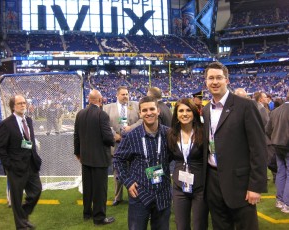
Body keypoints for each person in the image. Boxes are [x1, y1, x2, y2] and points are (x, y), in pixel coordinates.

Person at [202, 62, 267, 229]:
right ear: (205, 81)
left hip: (240, 183)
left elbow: (258, 148)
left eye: (218, 78)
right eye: (211, 78)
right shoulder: (207, 109)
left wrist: (255, 186)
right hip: (213, 180)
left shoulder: (245, 105)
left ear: (227, 80)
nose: (214, 82)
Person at [114, 96, 172, 230]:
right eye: (144, 110)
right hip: (140, 193)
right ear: (140, 114)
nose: (149, 113)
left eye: (152, 109)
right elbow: (118, 159)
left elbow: (174, 156)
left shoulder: (168, 134)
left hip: (162, 193)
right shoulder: (131, 136)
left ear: (158, 111)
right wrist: (127, 181)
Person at [0, 94, 42, 230]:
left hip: (31, 164)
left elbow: (30, 142)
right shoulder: (6, 124)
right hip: (15, 167)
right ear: (12, 107)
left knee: (36, 191)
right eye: (19, 103)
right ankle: (21, 226)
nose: (22, 105)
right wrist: (9, 165)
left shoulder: (28, 120)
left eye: (24, 103)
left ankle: (23, 214)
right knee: (16, 198)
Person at [74, 89, 115, 225]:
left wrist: (78, 153)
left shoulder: (80, 114)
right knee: (100, 190)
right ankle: (99, 218)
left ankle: (87, 213)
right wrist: (115, 138)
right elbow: (108, 138)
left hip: (85, 158)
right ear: (99, 100)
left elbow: (76, 136)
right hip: (99, 159)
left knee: (88, 188)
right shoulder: (101, 115)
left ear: (89, 100)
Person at [167, 98, 208, 230]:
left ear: (194, 113)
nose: (184, 114)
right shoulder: (171, 134)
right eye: (181, 111)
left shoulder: (203, 131)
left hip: (201, 187)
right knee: (181, 225)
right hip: (179, 186)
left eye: (188, 110)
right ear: (176, 114)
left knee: (199, 225)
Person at [103, 86, 142, 206]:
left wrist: (131, 128)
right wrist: (115, 135)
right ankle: (118, 197)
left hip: (134, 144)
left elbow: (141, 121)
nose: (125, 96)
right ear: (117, 95)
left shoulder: (136, 105)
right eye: (123, 94)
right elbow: (105, 125)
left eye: (127, 94)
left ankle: (135, 195)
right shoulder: (107, 108)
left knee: (136, 170)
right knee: (118, 172)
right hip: (117, 144)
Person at [265, 91, 289, 213]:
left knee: (281, 172)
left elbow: (267, 130)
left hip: (277, 145)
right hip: (287, 145)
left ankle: (280, 200)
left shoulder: (275, 111)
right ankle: (287, 203)